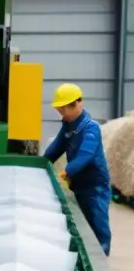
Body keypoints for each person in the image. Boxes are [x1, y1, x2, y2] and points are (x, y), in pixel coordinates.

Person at [43, 83, 112, 256]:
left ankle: (101, 261)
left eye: (63, 110)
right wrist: (41, 164)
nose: (61, 114)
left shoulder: (90, 128)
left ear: (76, 105)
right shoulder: (68, 126)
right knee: (80, 223)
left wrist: (66, 171)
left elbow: (85, 156)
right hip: (78, 183)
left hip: (94, 185)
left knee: (98, 225)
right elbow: (55, 148)